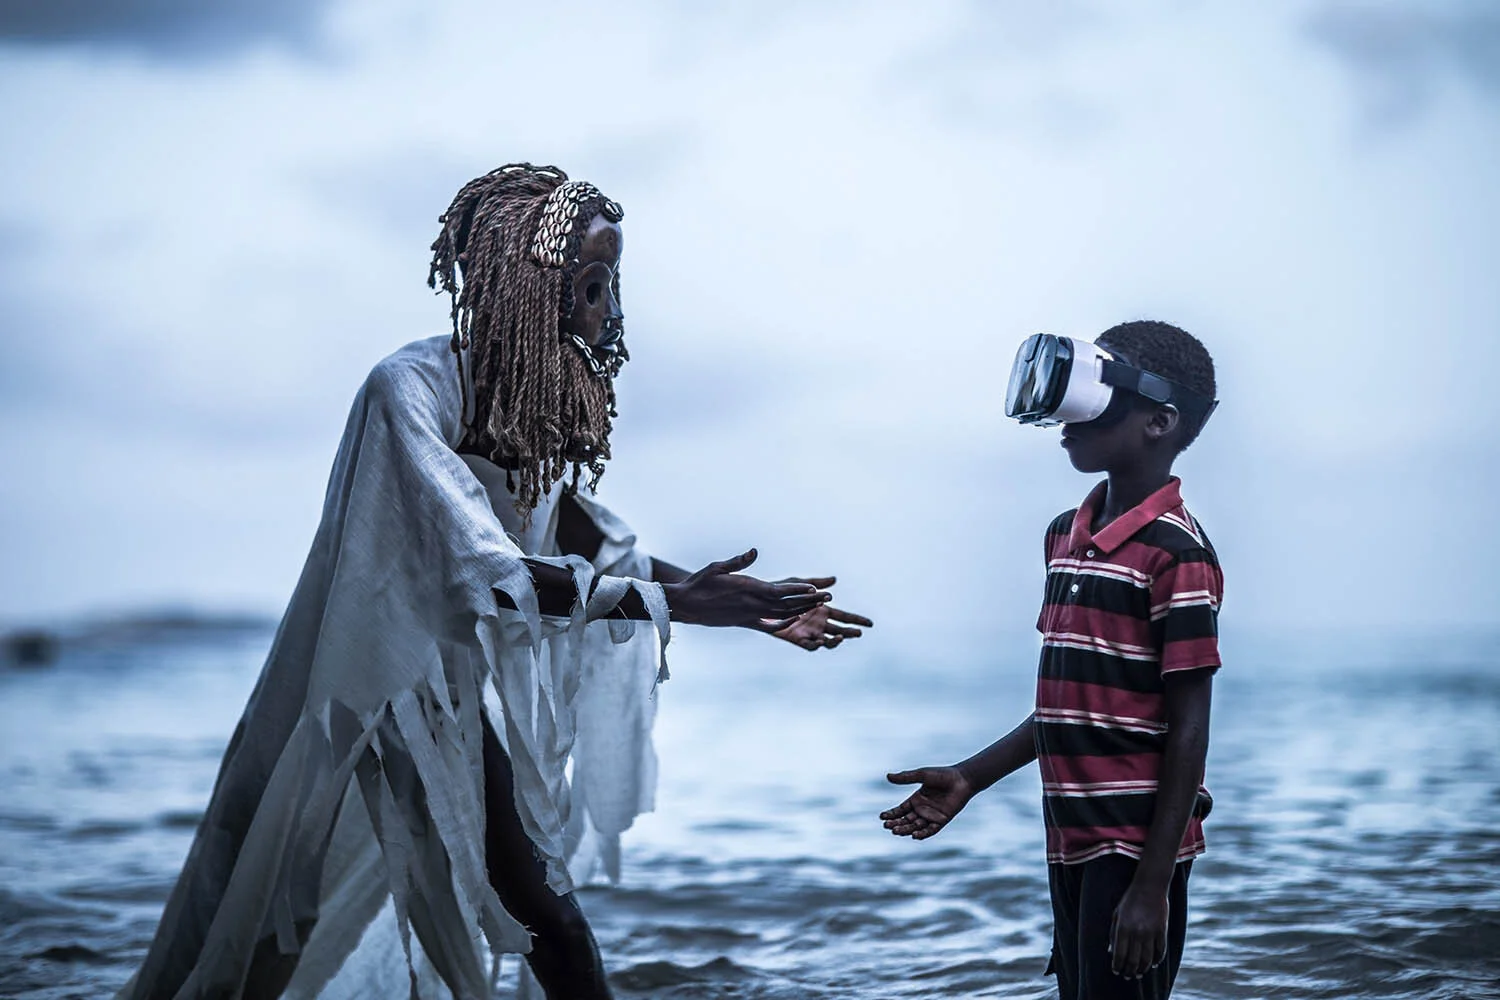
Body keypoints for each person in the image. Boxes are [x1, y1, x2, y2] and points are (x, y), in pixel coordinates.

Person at [119, 163, 872, 1000]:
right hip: (383, 688)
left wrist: (720, 600)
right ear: (524, 286)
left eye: (612, 286)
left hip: (451, 690)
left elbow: (581, 538)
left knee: (340, 919)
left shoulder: (528, 402)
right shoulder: (409, 389)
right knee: (287, 898)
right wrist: (676, 603)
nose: (610, 312)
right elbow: (488, 572)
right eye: (592, 287)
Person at [881, 320, 1222, 1000]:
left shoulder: (1178, 555)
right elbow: (1072, 705)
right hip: (1069, 836)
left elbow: (1190, 727)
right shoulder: (1064, 536)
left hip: (1134, 846)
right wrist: (971, 777)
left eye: (1095, 398)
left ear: (1159, 421)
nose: (1067, 421)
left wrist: (1152, 885)